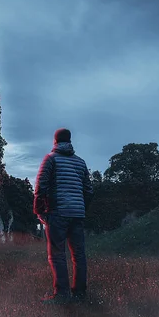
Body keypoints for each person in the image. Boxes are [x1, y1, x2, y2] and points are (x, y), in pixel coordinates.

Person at [33, 128, 94, 304]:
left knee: (57, 254)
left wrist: (39, 210)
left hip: (58, 213)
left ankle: (62, 296)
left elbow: (41, 186)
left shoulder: (50, 159)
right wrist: (81, 207)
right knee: (79, 255)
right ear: (70, 141)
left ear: (55, 141)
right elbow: (89, 190)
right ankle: (80, 294)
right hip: (77, 214)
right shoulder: (80, 162)